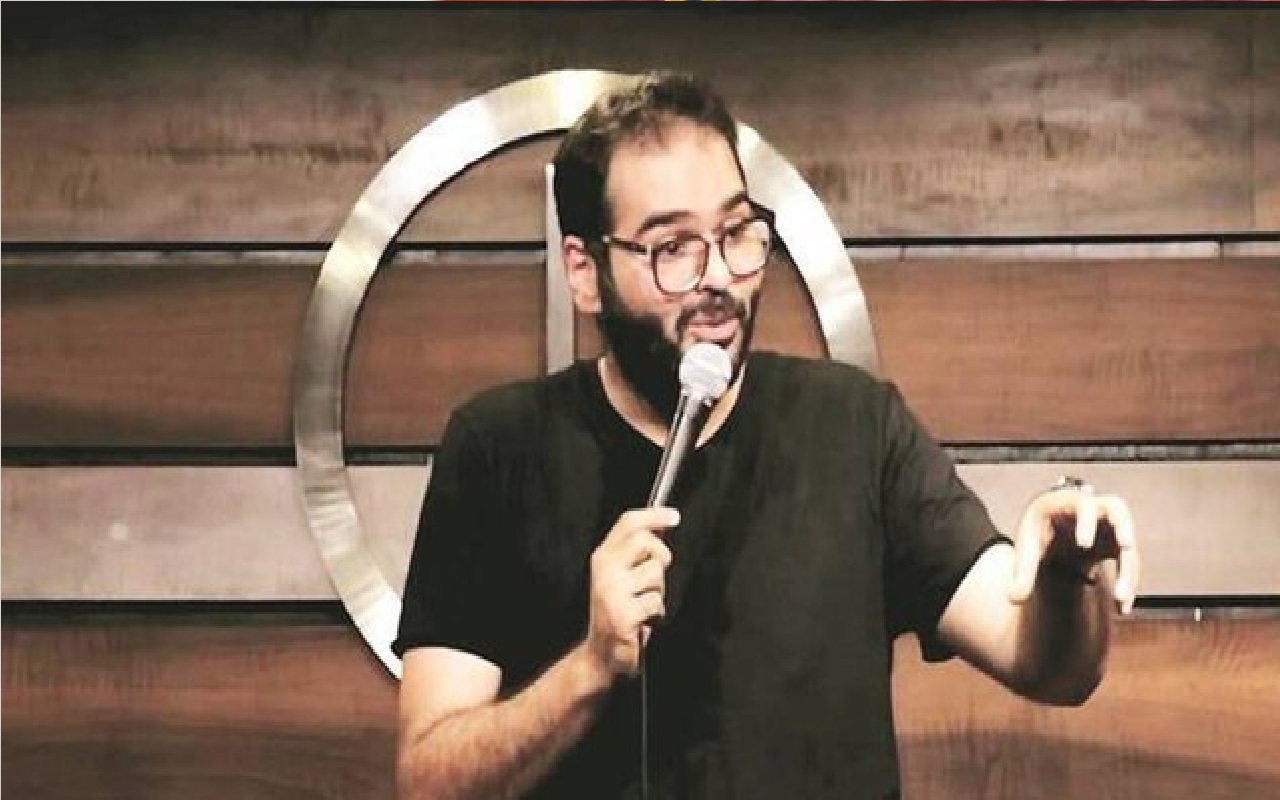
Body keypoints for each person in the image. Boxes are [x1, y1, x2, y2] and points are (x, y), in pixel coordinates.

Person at [392, 71, 1140, 800]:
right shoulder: (497, 448)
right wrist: (586, 670)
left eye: (735, 232)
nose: (719, 276)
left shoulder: (854, 425)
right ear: (585, 272)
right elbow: (428, 779)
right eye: (672, 247)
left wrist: (1067, 575)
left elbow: (1050, 667)